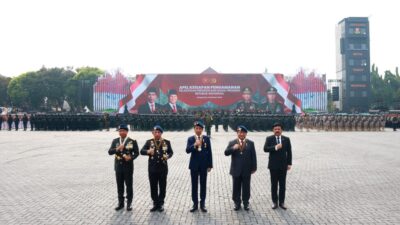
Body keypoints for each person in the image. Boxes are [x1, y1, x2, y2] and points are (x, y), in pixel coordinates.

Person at [140, 125, 173, 212]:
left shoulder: (166, 142)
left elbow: (171, 152)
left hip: (163, 168)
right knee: (153, 186)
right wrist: (147, 151)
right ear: (153, 133)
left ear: (161, 133)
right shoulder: (149, 142)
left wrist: (168, 156)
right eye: (155, 132)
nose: (157, 134)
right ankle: (155, 203)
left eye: (159, 132)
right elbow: (141, 151)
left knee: (162, 186)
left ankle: (161, 203)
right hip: (152, 169)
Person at [224, 125, 257, 211]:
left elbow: (253, 156)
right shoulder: (232, 142)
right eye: (239, 132)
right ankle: (237, 203)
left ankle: (246, 202)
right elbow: (226, 153)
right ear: (237, 133)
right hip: (236, 169)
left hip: (247, 169)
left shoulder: (250, 143)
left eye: (243, 132)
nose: (241, 134)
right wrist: (233, 148)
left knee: (246, 187)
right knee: (236, 187)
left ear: (246, 133)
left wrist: (254, 167)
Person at [108, 124, 139, 211]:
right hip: (118, 167)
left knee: (129, 185)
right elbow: (110, 152)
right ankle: (120, 203)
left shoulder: (132, 141)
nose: (121, 132)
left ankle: (129, 203)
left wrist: (131, 157)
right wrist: (117, 148)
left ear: (126, 132)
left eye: (123, 130)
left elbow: (136, 153)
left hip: (128, 167)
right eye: (120, 131)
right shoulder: (115, 141)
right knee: (120, 185)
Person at [263, 122, 292, 210]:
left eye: (279, 129)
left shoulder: (286, 139)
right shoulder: (269, 138)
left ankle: (282, 202)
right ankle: (274, 202)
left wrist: (289, 163)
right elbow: (265, 149)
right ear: (273, 130)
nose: (277, 130)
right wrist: (275, 147)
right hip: (273, 166)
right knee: (274, 185)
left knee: (282, 185)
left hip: (283, 166)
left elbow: (289, 152)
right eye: (275, 129)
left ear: (281, 130)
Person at [186, 121, 213, 213]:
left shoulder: (206, 138)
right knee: (194, 185)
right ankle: (195, 204)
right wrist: (194, 145)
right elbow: (187, 150)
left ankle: (202, 204)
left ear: (202, 129)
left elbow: (209, 152)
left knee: (203, 185)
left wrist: (210, 165)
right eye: (196, 128)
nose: (198, 130)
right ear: (194, 129)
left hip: (203, 166)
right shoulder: (190, 139)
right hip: (194, 166)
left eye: (200, 128)